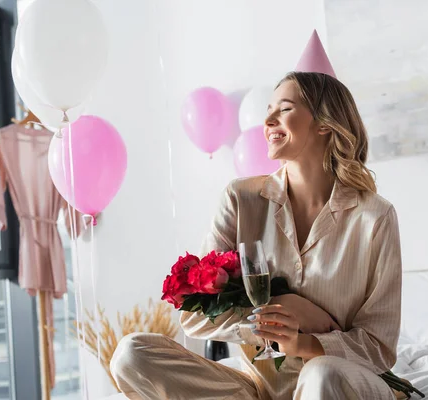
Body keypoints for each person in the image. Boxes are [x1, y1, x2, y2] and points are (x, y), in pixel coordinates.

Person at [110, 72, 402, 400]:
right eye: (268, 108)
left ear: (324, 123)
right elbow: (195, 317)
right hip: (258, 389)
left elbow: (379, 347)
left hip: (338, 381)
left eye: (285, 108)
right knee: (132, 355)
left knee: (322, 373)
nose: (268, 119)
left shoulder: (374, 217)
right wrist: (277, 311)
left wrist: (304, 342)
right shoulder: (240, 199)